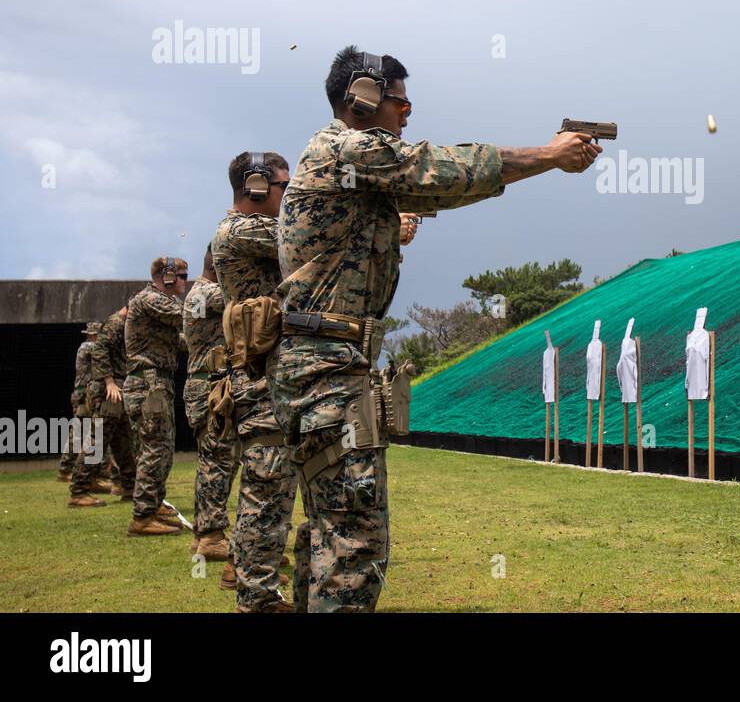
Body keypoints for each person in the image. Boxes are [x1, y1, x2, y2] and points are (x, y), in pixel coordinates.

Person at [270, 45, 600, 611]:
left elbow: (435, 186)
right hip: (326, 370)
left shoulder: (343, 161)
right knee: (352, 545)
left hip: (322, 366)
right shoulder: (348, 149)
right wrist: (550, 155)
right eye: (400, 100)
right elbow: (442, 169)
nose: (407, 111)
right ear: (364, 99)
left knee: (327, 530)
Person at [211, 150, 298, 612]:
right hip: (261, 382)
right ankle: (257, 600)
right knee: (266, 493)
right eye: (285, 186)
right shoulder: (243, 230)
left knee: (266, 490)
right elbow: (308, 240)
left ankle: (250, 584)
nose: (290, 194)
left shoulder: (254, 231)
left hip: (267, 378)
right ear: (257, 186)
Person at [123, 257, 189, 536]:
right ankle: (143, 516)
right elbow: (189, 316)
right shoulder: (152, 299)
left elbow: (180, 341)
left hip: (155, 382)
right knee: (155, 448)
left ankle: (153, 503)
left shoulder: (158, 305)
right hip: (148, 383)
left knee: (162, 446)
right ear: (169, 277)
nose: (187, 281)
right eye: (183, 276)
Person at [183, 246, 238, 565]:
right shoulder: (207, 295)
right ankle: (212, 536)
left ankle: (204, 534)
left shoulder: (201, 294)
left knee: (213, 460)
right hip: (210, 387)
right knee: (218, 461)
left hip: (207, 385)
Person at [89, 306, 136, 500]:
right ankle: (80, 487)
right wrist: (108, 381)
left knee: (123, 441)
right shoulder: (115, 323)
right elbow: (99, 349)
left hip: (119, 386)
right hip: (111, 389)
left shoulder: (124, 324)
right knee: (98, 437)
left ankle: (128, 486)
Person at [68, 322, 112, 507]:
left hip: (87, 391)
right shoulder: (88, 347)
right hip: (86, 393)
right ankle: (76, 477)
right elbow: (100, 352)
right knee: (89, 434)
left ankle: (96, 476)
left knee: (91, 434)